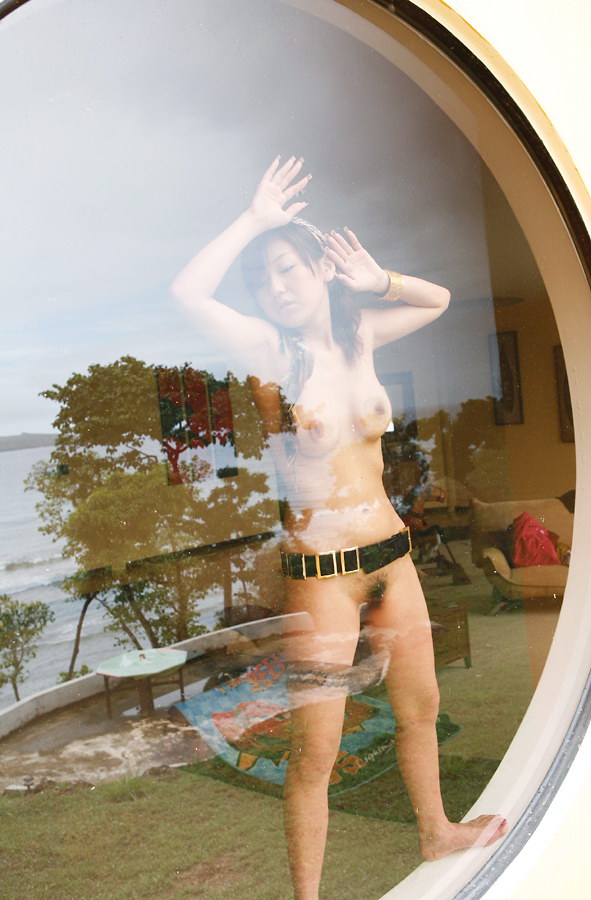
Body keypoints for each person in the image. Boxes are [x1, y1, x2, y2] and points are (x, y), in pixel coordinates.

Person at [171, 155, 506, 900]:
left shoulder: (359, 339)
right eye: (262, 280)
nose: (276, 288)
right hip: (323, 578)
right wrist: (253, 221)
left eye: (287, 268)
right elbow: (186, 293)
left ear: (321, 269)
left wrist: (378, 279)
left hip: (394, 560)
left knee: (420, 709)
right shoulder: (269, 354)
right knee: (315, 751)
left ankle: (434, 830)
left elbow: (439, 299)